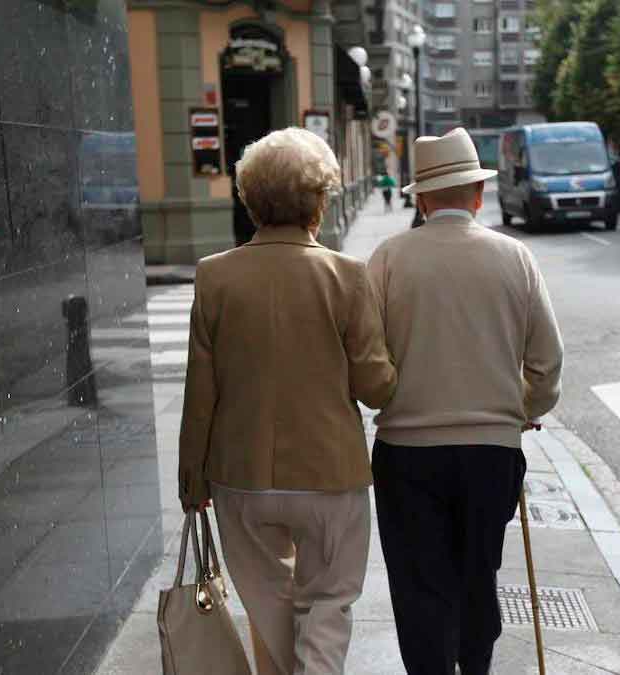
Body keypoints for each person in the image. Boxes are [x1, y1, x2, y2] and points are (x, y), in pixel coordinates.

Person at [177, 127, 398, 675]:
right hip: (330, 473)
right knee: (328, 602)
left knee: (268, 600)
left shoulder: (214, 276)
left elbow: (200, 391)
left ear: (250, 200)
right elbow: (375, 387)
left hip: (240, 474)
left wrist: (192, 478)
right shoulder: (347, 276)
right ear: (319, 202)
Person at [366, 127, 565, 674]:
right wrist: (522, 410)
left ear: (422, 199)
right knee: (479, 575)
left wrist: (394, 397)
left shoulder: (387, 259)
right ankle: (475, 667)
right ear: (478, 195)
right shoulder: (515, 257)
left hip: (407, 451)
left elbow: (367, 361)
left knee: (419, 586)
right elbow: (546, 363)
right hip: (491, 451)